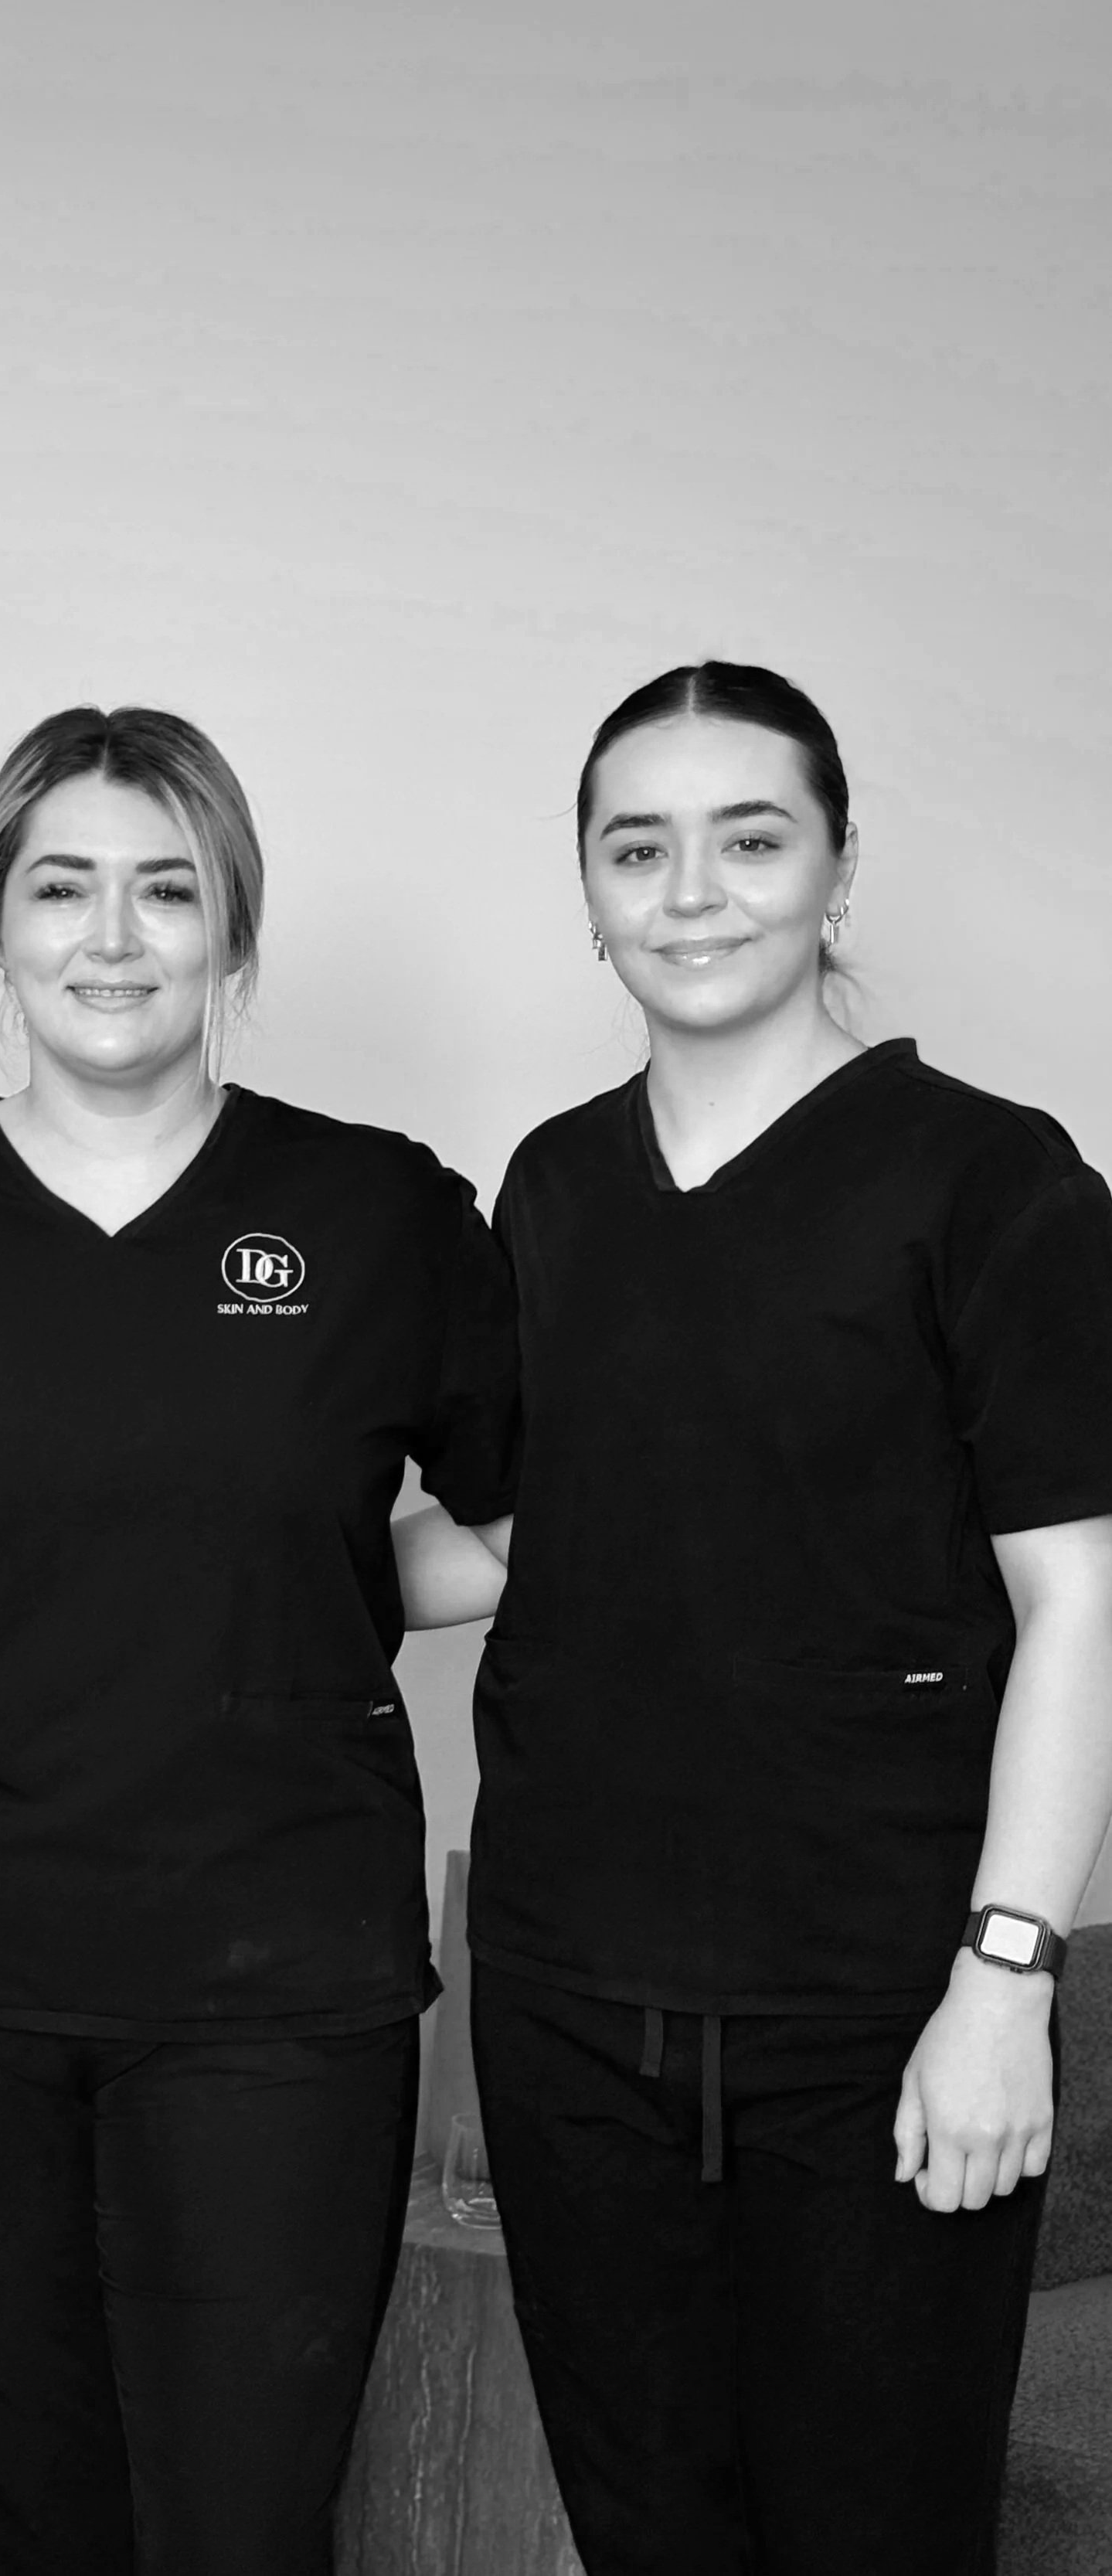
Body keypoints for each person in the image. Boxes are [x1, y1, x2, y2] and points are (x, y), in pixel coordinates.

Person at [0, 705, 516, 2576]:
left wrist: (294, 1580)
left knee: (244, 2532)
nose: (111, 934)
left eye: (167, 888)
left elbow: (508, 1520)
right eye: (60, 885)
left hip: (279, 1991)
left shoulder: (380, 1211)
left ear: (233, 931)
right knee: (33, 2531)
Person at [395, 661, 1112, 2574]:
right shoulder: (550, 1185)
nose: (690, 890)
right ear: (589, 887)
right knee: (650, 2527)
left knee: (876, 2529)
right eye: (639, 846)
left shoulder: (988, 1178)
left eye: (747, 838)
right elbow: (524, 1538)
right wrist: (162, 1558)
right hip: (573, 2003)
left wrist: (1004, 1978)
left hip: (879, 2000)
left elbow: (1078, 1602)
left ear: (835, 870)